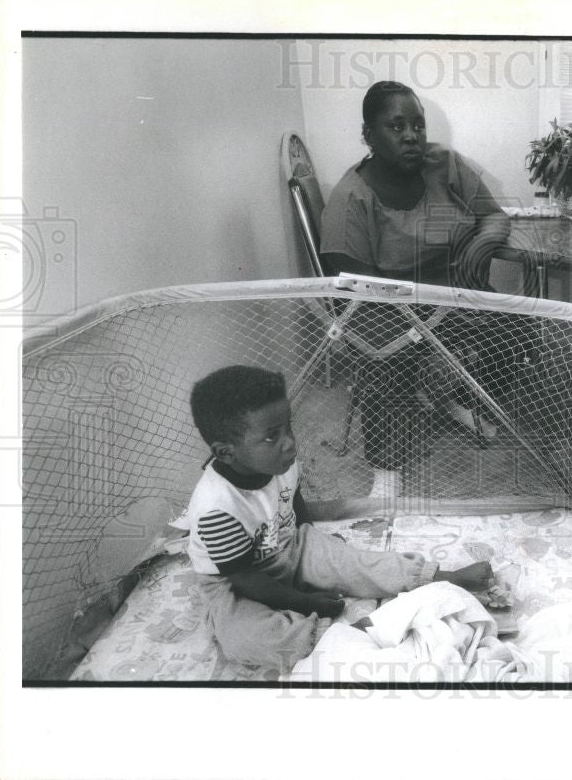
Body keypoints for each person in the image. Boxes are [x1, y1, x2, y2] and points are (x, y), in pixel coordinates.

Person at [185, 364, 494, 672]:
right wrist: (305, 602)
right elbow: (247, 579)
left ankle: (438, 578)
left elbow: (293, 499)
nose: (289, 442)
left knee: (357, 561)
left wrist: (313, 541)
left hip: (288, 547)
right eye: (271, 437)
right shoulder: (216, 508)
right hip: (234, 583)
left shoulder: (281, 462)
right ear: (226, 453)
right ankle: (334, 639)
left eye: (287, 427)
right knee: (242, 638)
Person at [318, 80, 523, 497]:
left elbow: (495, 217)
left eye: (418, 125)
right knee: (383, 359)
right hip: (383, 306)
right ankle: (386, 467)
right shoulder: (350, 199)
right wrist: (417, 315)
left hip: (452, 295)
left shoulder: (443, 164)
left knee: (516, 334)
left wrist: (482, 243)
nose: (411, 136)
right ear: (369, 135)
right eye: (396, 127)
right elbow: (357, 290)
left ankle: (455, 397)